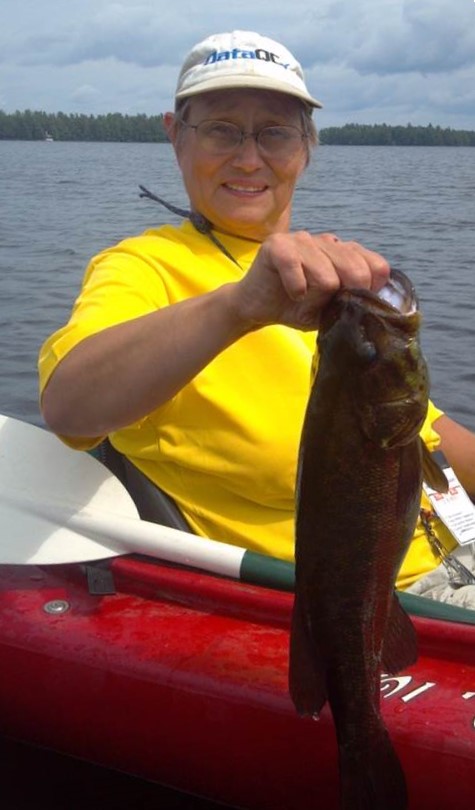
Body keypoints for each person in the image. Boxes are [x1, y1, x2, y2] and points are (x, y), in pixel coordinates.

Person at [38, 30, 475, 604]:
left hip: (456, 554)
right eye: (222, 129)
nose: (249, 158)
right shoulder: (142, 267)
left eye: (275, 133)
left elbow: (425, 431)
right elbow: (70, 408)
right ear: (176, 138)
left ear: (307, 146)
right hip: (374, 598)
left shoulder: (325, 278)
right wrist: (240, 306)